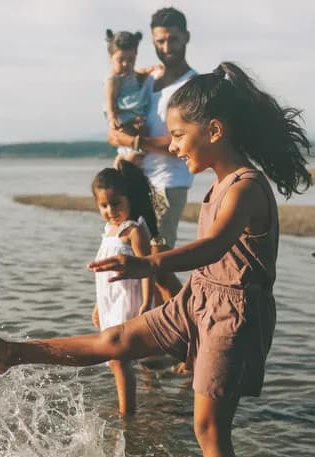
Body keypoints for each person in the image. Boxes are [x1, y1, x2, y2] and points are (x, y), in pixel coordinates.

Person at [0, 62, 312, 457]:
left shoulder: (246, 185)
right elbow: (205, 246)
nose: (174, 144)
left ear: (215, 131)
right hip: (199, 299)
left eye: (180, 135)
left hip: (233, 314)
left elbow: (216, 245)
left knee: (208, 428)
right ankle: (13, 352)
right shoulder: (219, 179)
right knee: (116, 337)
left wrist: (148, 264)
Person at [107, 7, 197, 300]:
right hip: (135, 181)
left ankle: (188, 329)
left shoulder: (193, 85)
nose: (166, 47)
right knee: (130, 256)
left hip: (168, 185)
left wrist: (134, 142)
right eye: (160, 41)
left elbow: (187, 142)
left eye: (172, 40)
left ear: (186, 38)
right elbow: (115, 129)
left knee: (159, 263)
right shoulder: (148, 79)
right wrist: (121, 136)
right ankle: (141, 330)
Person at [91, 161, 160, 414]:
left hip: (129, 303)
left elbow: (148, 268)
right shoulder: (108, 231)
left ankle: (126, 413)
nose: (110, 211)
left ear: (128, 200)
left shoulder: (133, 231)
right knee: (115, 360)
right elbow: (103, 274)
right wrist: (99, 303)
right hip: (111, 302)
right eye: (104, 206)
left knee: (119, 359)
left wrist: (146, 302)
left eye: (116, 203)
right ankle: (151, 391)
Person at [103, 30, 151, 166]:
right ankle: (122, 164)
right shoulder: (113, 79)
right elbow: (110, 101)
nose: (126, 64)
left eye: (130, 60)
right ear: (111, 58)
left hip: (135, 114)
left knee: (142, 137)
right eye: (121, 60)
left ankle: (124, 160)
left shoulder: (130, 74)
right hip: (123, 117)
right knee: (135, 148)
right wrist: (112, 119)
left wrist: (151, 69)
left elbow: (140, 73)